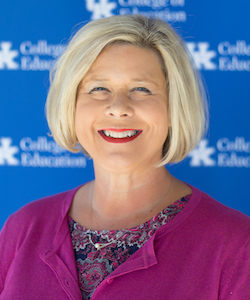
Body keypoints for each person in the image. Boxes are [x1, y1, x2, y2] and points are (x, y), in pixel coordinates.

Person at [0, 14, 250, 300]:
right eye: (99, 88)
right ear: (72, 105)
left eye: (141, 89)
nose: (118, 108)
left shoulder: (235, 244)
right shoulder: (24, 227)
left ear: (174, 108)